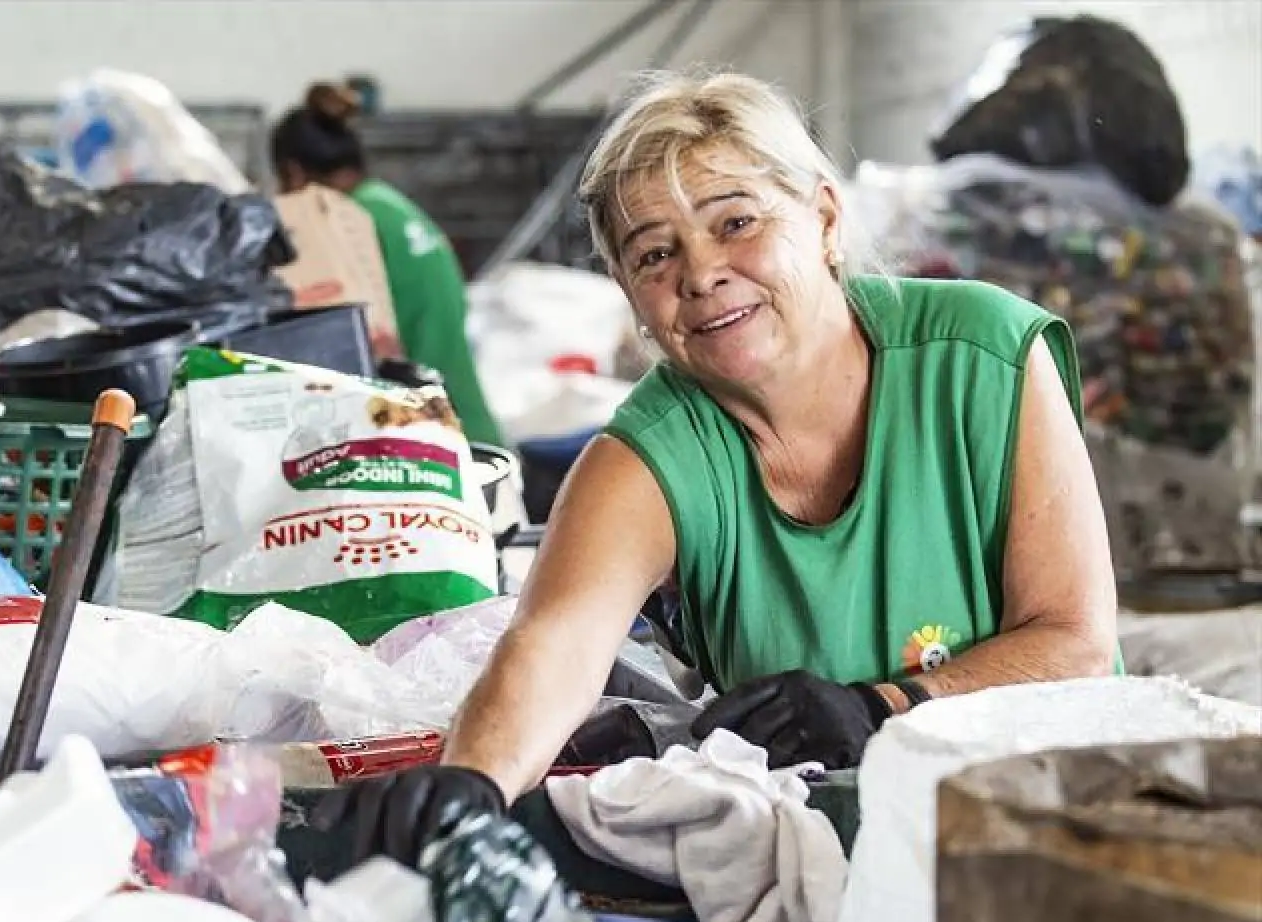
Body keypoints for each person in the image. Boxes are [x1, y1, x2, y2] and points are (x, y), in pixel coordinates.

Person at [317, 69, 1120, 868]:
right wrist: (473, 786)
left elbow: (1075, 640)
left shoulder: (981, 357)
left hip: (1062, 821)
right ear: (632, 295)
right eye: (655, 254)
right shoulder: (649, 456)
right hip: (834, 859)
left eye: (735, 222)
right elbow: (553, 646)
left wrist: (886, 707)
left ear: (826, 219)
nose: (700, 273)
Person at [271, 84, 505, 447]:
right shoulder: (390, 206)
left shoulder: (344, 223)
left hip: (437, 443)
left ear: (293, 172)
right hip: (469, 427)